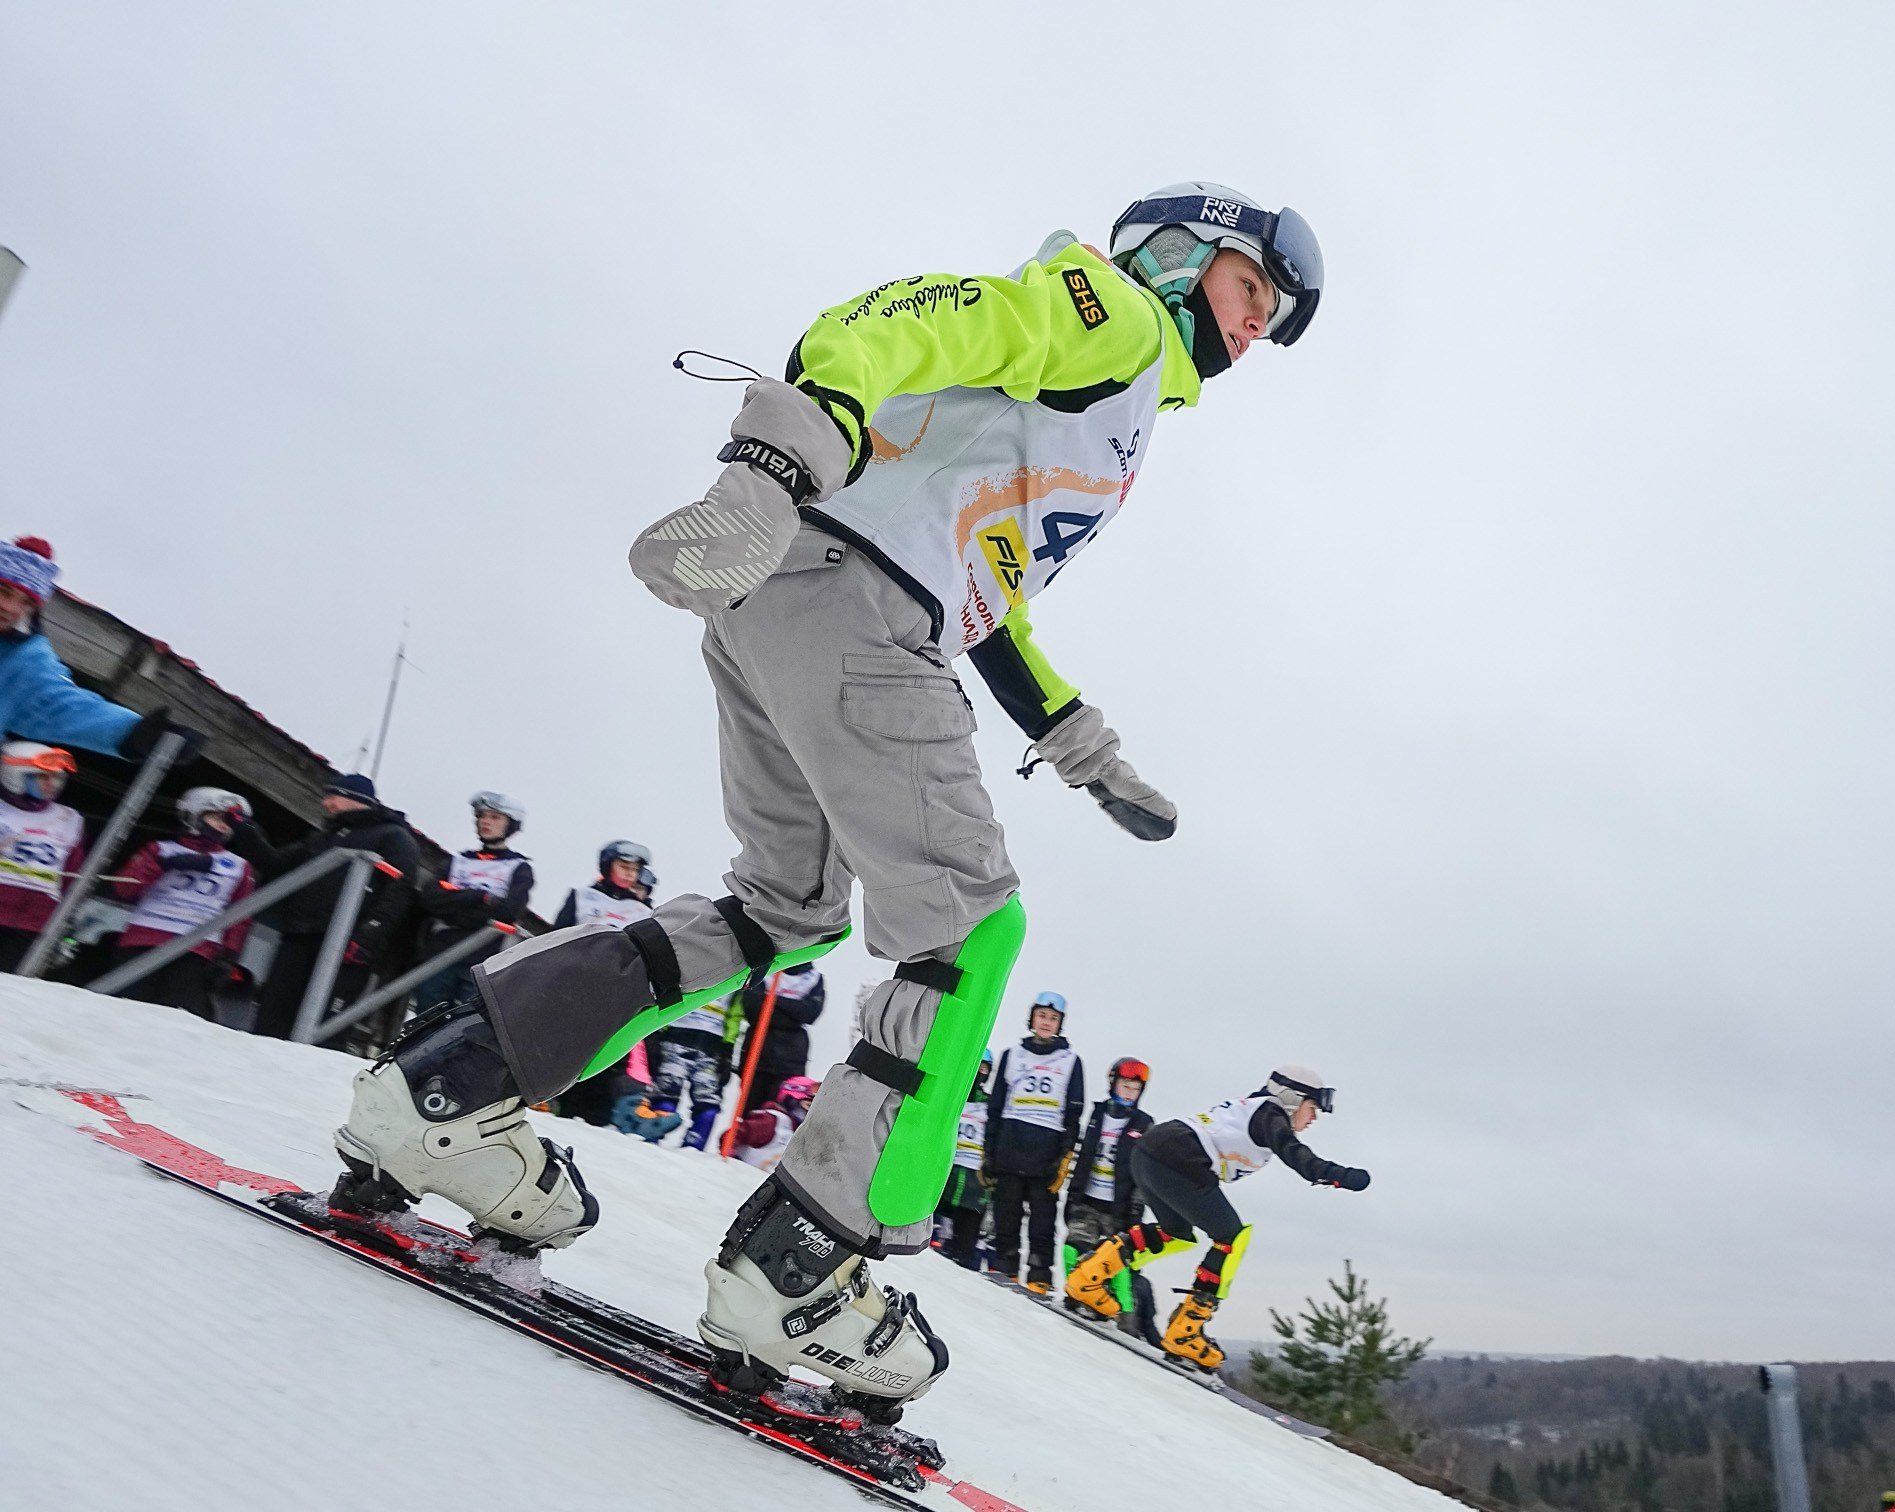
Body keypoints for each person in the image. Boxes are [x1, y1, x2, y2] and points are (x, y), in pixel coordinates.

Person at [323, 182, 1325, 1428]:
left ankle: (445, 1090)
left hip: (802, 600)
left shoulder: (1111, 413)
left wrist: (1079, 739)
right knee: (968, 933)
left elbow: (982, 583)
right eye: (1248, 295)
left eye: (1269, 317)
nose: (1250, 332)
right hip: (854, 605)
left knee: (781, 909)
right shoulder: (1108, 312)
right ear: (1183, 257)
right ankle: (803, 1267)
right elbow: (890, 324)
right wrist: (766, 462)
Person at [1064, 1065, 1369, 1373]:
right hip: (1178, 1157)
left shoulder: (1255, 1109)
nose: (1314, 1117)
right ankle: (1186, 1330)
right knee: (1232, 1236)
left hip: (1149, 1152)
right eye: (1312, 1107)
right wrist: (1338, 1176)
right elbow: (1297, 1156)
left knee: (1177, 1234)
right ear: (1292, 1098)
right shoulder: (1271, 1114)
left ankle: (1087, 1278)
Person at [230, 773, 419, 1041]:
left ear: (355, 799)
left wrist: (367, 937)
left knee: (326, 1027)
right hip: (299, 935)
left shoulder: (394, 836)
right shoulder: (324, 837)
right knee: (273, 1018)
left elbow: (401, 889)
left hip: (347, 945)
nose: (326, 803)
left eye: (333, 796)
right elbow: (275, 863)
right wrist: (243, 829)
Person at [0, 536, 197, 791]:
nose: (11, 608)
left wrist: (133, 732)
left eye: (27, 602)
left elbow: (59, 705)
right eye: (3, 592)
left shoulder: (22, 660)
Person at [103, 787, 258, 1016]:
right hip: (145, 940)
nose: (224, 824)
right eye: (216, 816)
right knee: (126, 1009)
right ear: (194, 815)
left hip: (197, 951)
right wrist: (164, 864)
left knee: (180, 1016)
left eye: (229, 820)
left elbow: (240, 916)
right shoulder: (160, 849)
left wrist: (228, 957)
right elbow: (123, 888)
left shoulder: (238, 866)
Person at [544, 841, 656, 1125]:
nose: (630, 875)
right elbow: (556, 938)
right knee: (560, 1045)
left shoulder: (643, 912)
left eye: (635, 870)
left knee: (603, 1053)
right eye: (624, 867)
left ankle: (595, 1115)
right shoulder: (583, 897)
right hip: (573, 985)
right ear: (607, 867)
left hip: (613, 995)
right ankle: (552, 1099)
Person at [983, 992, 1083, 1293]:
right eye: (1042, 1016)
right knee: (1006, 1214)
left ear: (1060, 1024)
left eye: (1053, 1019)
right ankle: (1005, 1267)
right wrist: (989, 1152)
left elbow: (1074, 1111)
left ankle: (1040, 1276)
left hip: (1046, 1153)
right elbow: (996, 1107)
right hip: (1011, 1148)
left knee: (1042, 1221)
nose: (1046, 1023)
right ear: (1032, 1018)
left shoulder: (1070, 1061)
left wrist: (1065, 1156)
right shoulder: (1012, 1055)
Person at [413, 791, 536, 1012]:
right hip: (441, 951)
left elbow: (507, 912)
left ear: (510, 825)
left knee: (464, 1026)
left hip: (482, 961)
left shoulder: (519, 868)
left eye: (495, 817)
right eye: (482, 816)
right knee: (425, 1021)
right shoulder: (458, 861)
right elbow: (430, 899)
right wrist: (480, 897)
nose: (485, 822)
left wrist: (454, 903)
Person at [1061, 1055, 1150, 1318]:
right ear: (1113, 1083)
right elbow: (1084, 1155)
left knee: (1114, 1260)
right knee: (1073, 1248)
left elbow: (1143, 1171)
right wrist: (1072, 1193)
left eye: (1135, 1089)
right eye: (1125, 1086)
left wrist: (1137, 1208)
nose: (1130, 1093)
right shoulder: (1098, 1114)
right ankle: (1075, 1293)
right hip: (1088, 1198)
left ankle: (1121, 1311)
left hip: (1119, 1206)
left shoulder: (1144, 1124)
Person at [0, 742, 88, 969]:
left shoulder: (69, 818)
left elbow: (71, 876)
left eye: (57, 778)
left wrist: (64, 925)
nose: (52, 785)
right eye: (43, 777)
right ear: (15, 776)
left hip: (34, 923)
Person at [655, 988, 742, 1149]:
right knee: (666, 1093)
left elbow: (735, 1013)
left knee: (708, 1104)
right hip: (677, 1031)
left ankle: (693, 1150)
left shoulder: (741, 970)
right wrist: (658, 1031)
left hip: (712, 1044)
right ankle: (651, 1139)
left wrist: (728, 1048)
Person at [933, 1052, 996, 1271]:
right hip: (944, 1175)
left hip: (975, 1184)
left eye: (984, 1068)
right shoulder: (949, 1095)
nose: (979, 1072)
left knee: (964, 1251)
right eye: (976, 1066)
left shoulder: (990, 1105)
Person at [737, 962, 827, 1112]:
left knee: (781, 1114)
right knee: (750, 1115)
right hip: (757, 1054)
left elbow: (810, 1013)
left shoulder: (813, 978)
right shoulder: (762, 970)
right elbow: (752, 1008)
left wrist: (771, 999)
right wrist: (793, 1009)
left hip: (790, 1060)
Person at [729, 1074, 819, 1170]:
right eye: (808, 1106)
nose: (809, 1112)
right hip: (744, 1177)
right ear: (791, 1099)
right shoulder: (770, 1121)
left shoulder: (797, 1130)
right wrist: (732, 1157)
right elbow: (733, 1135)